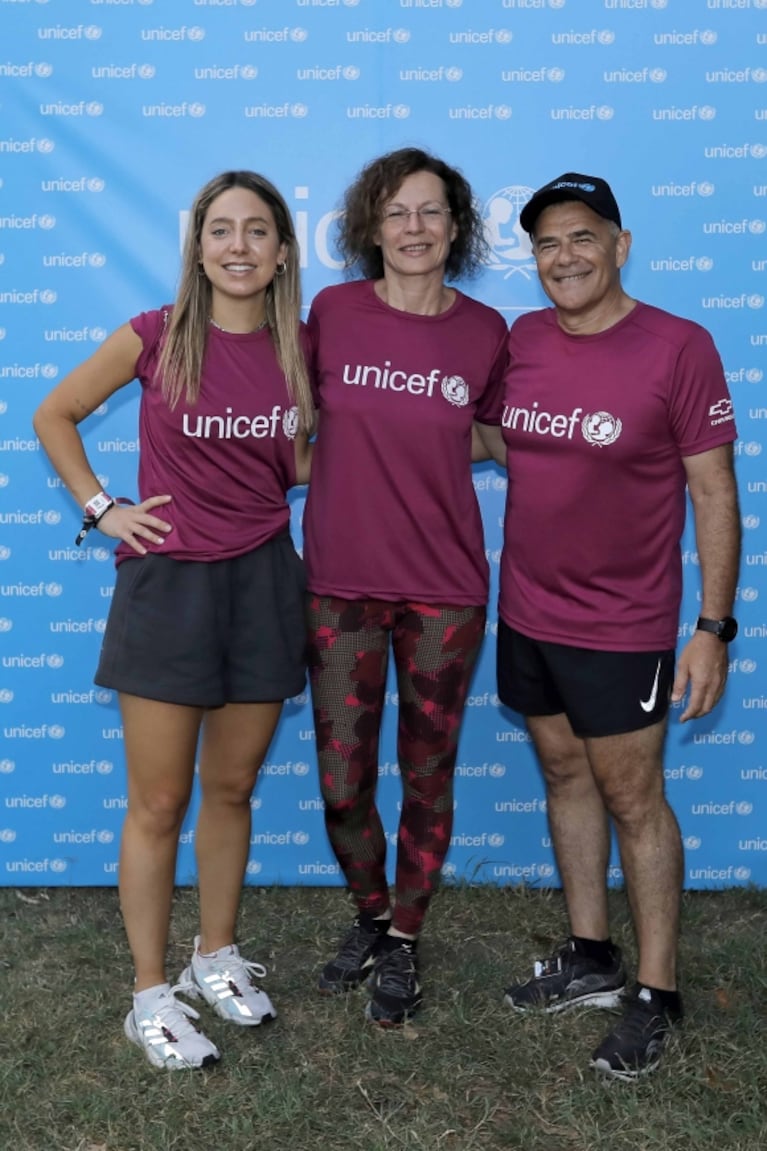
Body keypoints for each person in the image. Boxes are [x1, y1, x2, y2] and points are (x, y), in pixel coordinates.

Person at [33, 170, 314, 1071]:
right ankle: (150, 993)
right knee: (159, 801)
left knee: (230, 789)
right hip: (168, 588)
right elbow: (56, 411)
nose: (238, 245)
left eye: (257, 231)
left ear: (280, 254)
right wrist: (102, 504)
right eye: (221, 230)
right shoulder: (158, 335)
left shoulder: (302, 349)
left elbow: (303, 459)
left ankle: (213, 956)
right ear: (198, 248)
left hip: (266, 580)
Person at [476, 172, 740, 1079]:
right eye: (547, 243)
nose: (564, 256)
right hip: (527, 609)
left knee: (634, 797)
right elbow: (500, 436)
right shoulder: (521, 339)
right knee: (561, 773)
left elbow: (712, 488)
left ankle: (656, 992)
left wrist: (711, 625)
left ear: (620, 245)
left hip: (626, 623)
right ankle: (591, 954)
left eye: (581, 236)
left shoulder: (678, 345)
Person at [302, 147, 508, 1026]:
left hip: (444, 590)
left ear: (455, 227)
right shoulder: (331, 312)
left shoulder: (487, 331)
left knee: (428, 772)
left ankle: (407, 939)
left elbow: (494, 438)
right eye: (396, 213)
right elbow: (294, 421)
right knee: (343, 778)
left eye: (430, 212)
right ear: (368, 229)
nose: (413, 228)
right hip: (340, 584)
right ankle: (370, 913)